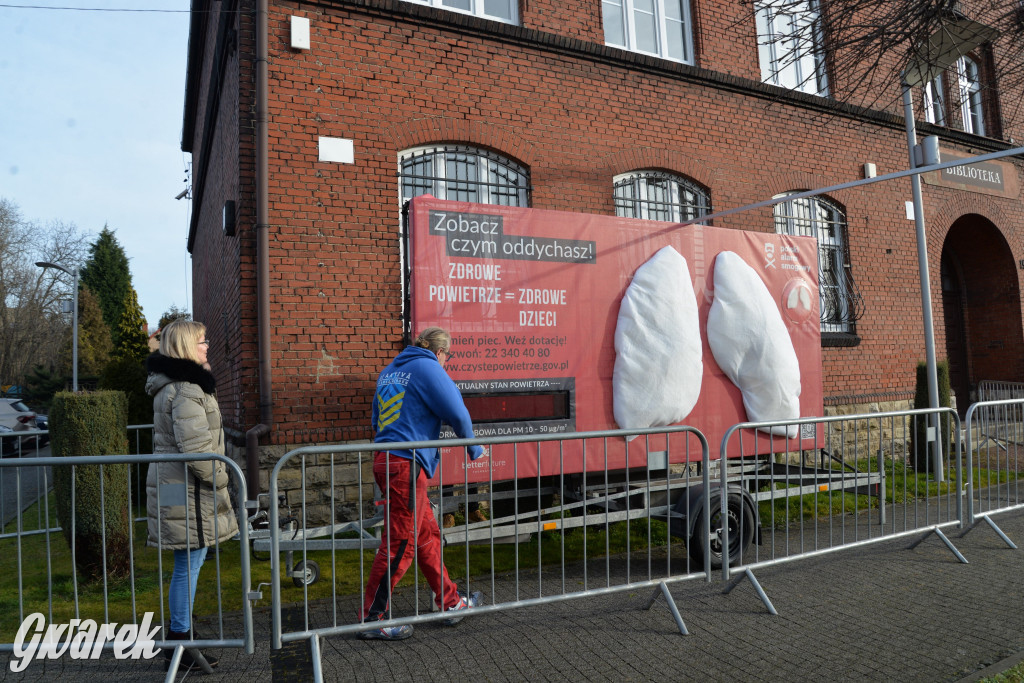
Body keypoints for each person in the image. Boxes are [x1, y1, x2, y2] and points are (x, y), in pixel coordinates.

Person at [360, 327, 485, 641]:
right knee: (400, 545)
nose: (446, 364)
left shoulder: (391, 369)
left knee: (426, 535)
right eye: (448, 358)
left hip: (387, 459)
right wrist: (473, 446)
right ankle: (372, 619)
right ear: (441, 353)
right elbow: (456, 408)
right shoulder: (428, 366)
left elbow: (377, 419)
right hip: (406, 465)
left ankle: (450, 602)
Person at [145, 319, 239, 669]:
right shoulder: (185, 388)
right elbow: (198, 450)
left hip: (176, 486)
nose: (207, 345)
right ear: (186, 345)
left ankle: (180, 635)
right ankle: (179, 642)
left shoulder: (175, 384)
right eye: (202, 340)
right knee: (189, 562)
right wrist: (222, 478)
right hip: (187, 489)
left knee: (190, 561)